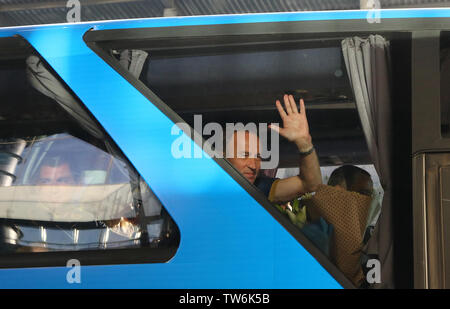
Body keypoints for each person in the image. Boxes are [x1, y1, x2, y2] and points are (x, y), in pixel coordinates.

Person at [225, 94, 322, 202]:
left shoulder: (260, 188)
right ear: (224, 156)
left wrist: (304, 144)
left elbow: (311, 185)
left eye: (258, 157)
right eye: (244, 155)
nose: (253, 165)